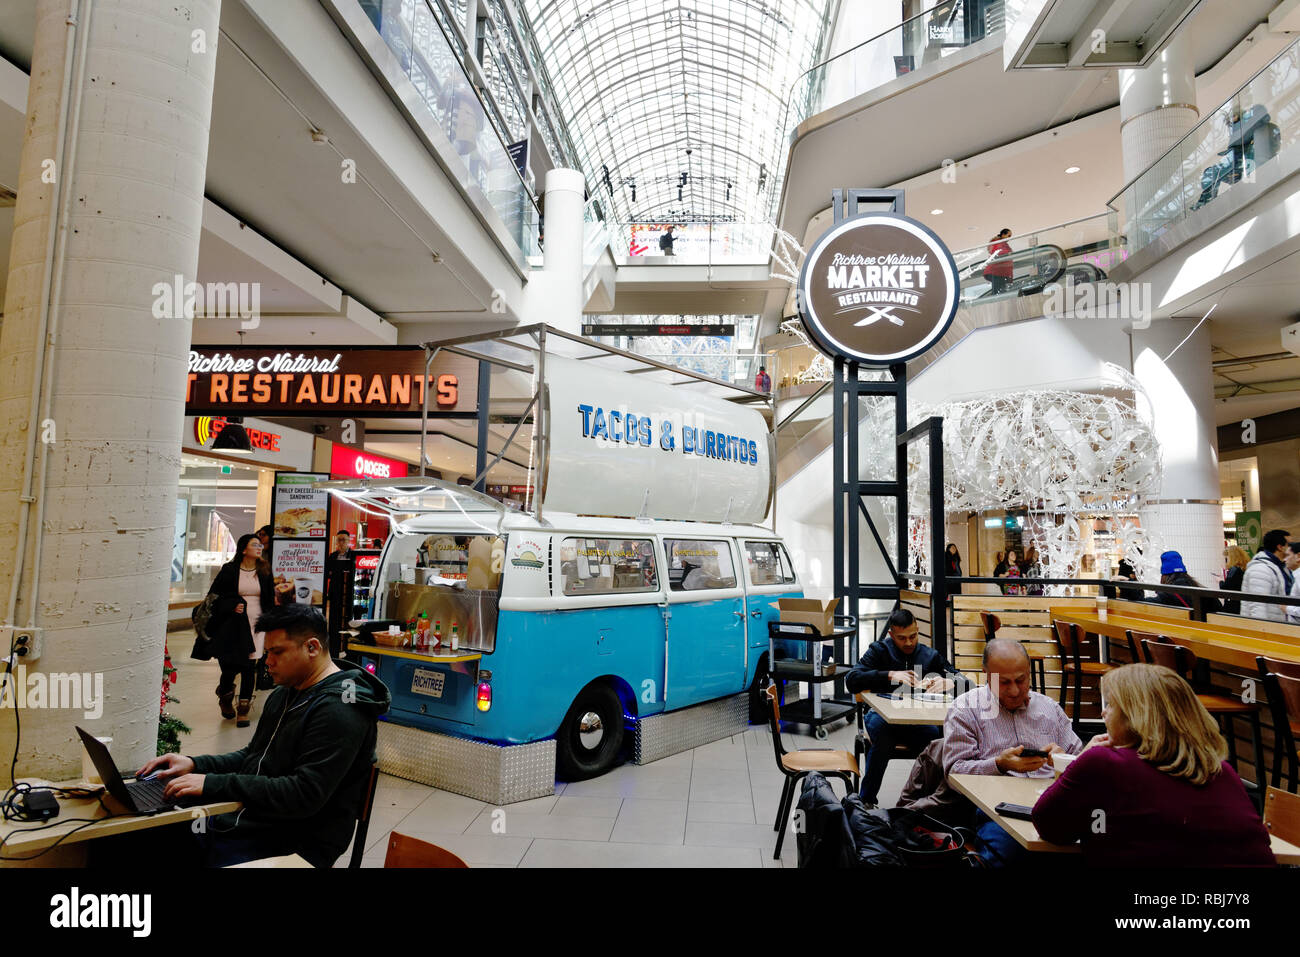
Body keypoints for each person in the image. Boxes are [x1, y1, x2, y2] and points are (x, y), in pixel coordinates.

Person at [139, 604, 392, 867]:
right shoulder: (286, 691)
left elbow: (302, 795)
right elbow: (254, 756)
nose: (267, 661)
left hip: (295, 844)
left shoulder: (341, 709)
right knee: (142, 838)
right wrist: (194, 764)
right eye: (267, 651)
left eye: (277, 652)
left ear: (312, 648)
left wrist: (212, 783)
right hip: (252, 823)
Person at [1032, 664, 1274, 867]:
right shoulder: (1220, 770)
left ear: (1135, 715)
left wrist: (1084, 757)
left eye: (1112, 704)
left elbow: (1049, 825)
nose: (1104, 713)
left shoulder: (1104, 763)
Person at [943, 638, 1083, 866]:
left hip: (1052, 808)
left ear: (1029, 672)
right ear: (986, 675)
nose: (1015, 691)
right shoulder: (966, 710)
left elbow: (1083, 765)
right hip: (998, 811)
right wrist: (999, 764)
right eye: (1004, 683)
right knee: (1009, 855)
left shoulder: (1049, 708)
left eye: (1021, 680)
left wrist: (1063, 761)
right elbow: (954, 773)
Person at [845, 609, 970, 807]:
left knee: (936, 740)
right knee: (885, 735)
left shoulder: (930, 656)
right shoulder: (879, 651)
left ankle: (930, 801)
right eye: (902, 638)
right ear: (891, 635)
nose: (909, 642)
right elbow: (851, 680)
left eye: (913, 636)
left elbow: (967, 684)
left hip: (918, 721)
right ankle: (866, 800)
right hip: (881, 717)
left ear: (918, 630)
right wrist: (889, 675)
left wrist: (951, 682)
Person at [206, 534, 282, 727]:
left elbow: (268, 600)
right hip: (232, 624)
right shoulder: (229, 570)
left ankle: (243, 709)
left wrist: (271, 624)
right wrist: (232, 605)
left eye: (260, 544)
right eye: (254, 545)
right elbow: (213, 597)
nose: (259, 547)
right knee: (229, 667)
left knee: (249, 667)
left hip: (256, 623)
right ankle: (225, 695)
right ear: (243, 549)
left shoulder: (264, 570)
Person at [1241, 529, 1292, 621]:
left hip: (1280, 625)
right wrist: (1263, 631)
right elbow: (1257, 606)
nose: (1292, 548)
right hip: (1269, 629)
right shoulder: (1260, 569)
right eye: (1289, 545)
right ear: (1280, 547)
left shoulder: (1280, 567)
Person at [1152, 550, 1221, 614]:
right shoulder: (1205, 594)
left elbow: (1143, 603)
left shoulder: (1166, 597)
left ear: (1164, 575)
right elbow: (1219, 608)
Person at [325, 530, 356, 658]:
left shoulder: (353, 556)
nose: (341, 542)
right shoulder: (332, 557)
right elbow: (327, 574)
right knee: (333, 624)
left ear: (349, 541)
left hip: (349, 596)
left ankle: (347, 651)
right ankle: (333, 650)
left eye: (344, 539)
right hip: (335, 595)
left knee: (348, 622)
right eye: (339, 540)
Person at [982, 228, 1013, 295]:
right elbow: (998, 253)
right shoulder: (997, 242)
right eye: (1008, 235)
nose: (1009, 238)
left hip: (1000, 271)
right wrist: (1009, 253)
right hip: (996, 271)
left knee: (1000, 290)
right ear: (1003, 234)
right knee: (998, 290)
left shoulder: (1001, 243)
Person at [1219, 545, 1249, 614]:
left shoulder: (1234, 570)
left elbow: (1225, 588)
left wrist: (1220, 581)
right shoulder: (1244, 568)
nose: (1226, 561)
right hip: (1242, 604)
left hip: (1233, 606)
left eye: (1227, 558)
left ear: (1231, 557)